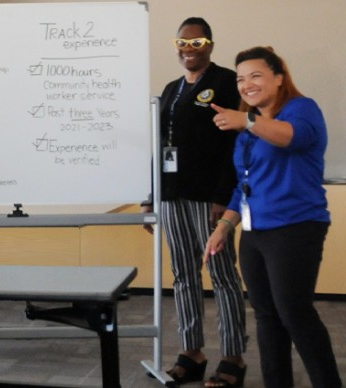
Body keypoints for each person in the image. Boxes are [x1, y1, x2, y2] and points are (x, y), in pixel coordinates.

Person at [207, 46, 339, 388]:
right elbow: (244, 184)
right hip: (254, 232)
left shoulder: (301, 109)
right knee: (267, 317)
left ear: (279, 79)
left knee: (295, 314)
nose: (246, 84)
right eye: (240, 79)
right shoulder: (249, 129)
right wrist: (224, 226)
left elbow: (290, 138)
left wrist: (247, 121)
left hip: (295, 227)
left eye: (255, 76)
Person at [141, 17, 247, 386]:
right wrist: (149, 197)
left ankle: (232, 357)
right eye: (183, 42)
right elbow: (160, 147)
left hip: (210, 200)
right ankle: (192, 351)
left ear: (210, 46)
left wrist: (223, 196)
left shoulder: (224, 83)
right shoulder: (171, 90)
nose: (189, 48)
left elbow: (235, 143)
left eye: (197, 42)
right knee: (184, 276)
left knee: (222, 276)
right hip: (172, 198)